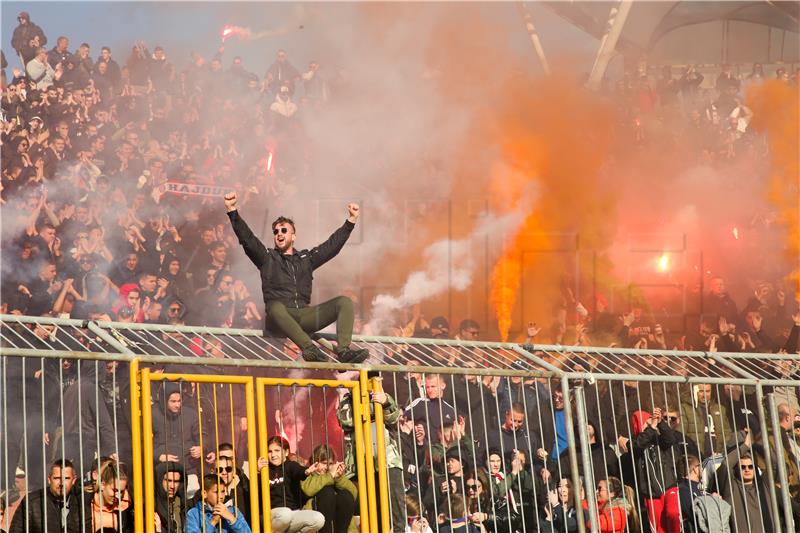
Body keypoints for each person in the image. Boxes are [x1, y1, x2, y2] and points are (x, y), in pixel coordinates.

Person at [224, 191, 368, 364]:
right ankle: (309, 348)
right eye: (276, 231)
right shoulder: (267, 257)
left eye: (284, 230)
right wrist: (232, 211)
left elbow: (331, 247)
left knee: (344, 302)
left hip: (302, 315)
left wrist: (350, 221)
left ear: (294, 236)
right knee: (275, 307)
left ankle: (344, 352)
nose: (279, 233)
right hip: (278, 318)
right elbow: (247, 239)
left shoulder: (306, 259)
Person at [260, 436, 324, 533]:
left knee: (318, 519)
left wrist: (306, 472)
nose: (273, 455)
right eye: (270, 451)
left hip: (293, 513)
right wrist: (257, 471)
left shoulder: (291, 465)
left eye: (277, 450)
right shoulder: (265, 469)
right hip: (273, 516)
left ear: (286, 452)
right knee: (285, 514)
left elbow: (298, 471)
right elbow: (253, 492)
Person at [9, 459, 81, 533]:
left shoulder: (81, 503)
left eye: (66, 478)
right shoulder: (32, 502)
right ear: (49, 479)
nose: (61, 483)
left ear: (74, 480)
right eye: (57, 478)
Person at [300, 445, 356, 533]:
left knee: (346, 495)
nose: (327, 467)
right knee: (327, 492)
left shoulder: (336, 476)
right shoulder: (308, 475)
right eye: (323, 463)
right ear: (314, 462)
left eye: (330, 464)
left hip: (341, 527)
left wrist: (339, 478)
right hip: (319, 525)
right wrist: (329, 476)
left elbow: (354, 493)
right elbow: (308, 490)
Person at [185, 474, 250, 533]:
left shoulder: (233, 511)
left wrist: (232, 519)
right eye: (216, 492)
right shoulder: (194, 514)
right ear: (204, 494)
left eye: (223, 491)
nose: (221, 496)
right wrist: (213, 522)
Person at [83, 460, 133, 533]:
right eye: (115, 490)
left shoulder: (125, 507)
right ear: (102, 485)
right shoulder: (84, 503)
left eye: (121, 492)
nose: (118, 496)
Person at [154, 462, 185, 533]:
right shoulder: (151, 507)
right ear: (159, 480)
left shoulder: (184, 506)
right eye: (168, 481)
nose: (172, 486)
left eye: (176, 481)